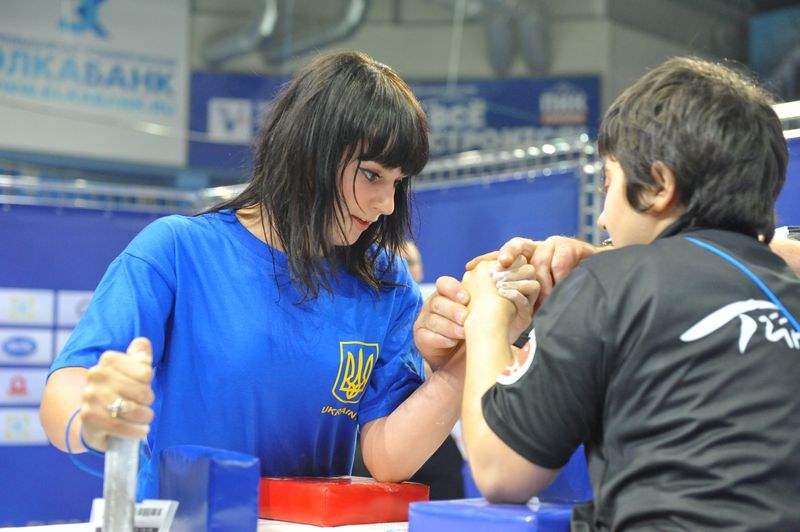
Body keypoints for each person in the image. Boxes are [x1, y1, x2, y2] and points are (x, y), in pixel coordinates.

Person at [38, 50, 536, 499]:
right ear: (310, 152)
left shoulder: (385, 282)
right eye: (371, 175)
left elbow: (387, 459)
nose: (385, 205)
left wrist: (465, 356)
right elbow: (64, 390)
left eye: (397, 183)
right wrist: (96, 413)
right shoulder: (177, 250)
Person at [457, 57, 800, 529]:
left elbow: (499, 471)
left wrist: (487, 315)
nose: (601, 220)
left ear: (658, 186)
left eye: (608, 183)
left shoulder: (610, 285)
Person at [351, 240, 467, 500]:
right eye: (392, 260)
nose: (397, 266)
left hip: (435, 441)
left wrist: (445, 361)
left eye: (408, 262)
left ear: (421, 269)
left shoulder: (443, 312)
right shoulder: (369, 313)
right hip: (376, 439)